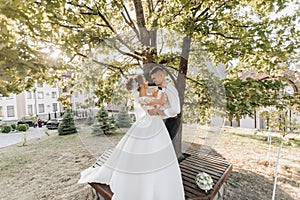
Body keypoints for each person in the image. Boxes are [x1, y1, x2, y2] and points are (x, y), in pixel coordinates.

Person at [78, 74, 185, 200]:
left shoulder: (144, 96)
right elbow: (155, 107)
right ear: (140, 85)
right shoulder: (142, 98)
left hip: (154, 124)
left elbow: (156, 101)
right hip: (151, 124)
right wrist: (162, 100)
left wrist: (160, 95)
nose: (147, 82)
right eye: (145, 81)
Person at [147, 67, 181, 141]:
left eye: (154, 78)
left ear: (161, 76)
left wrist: (158, 112)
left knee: (165, 148)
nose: (153, 80)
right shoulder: (161, 90)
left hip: (170, 123)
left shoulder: (170, 89)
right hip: (163, 122)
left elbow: (176, 109)